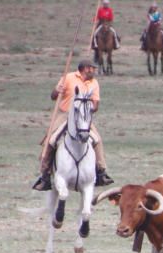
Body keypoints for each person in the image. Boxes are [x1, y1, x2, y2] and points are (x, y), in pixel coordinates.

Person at [32, 60, 114, 191]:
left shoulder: (94, 83)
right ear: (84, 69)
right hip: (64, 114)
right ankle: (45, 175)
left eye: (94, 68)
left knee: (97, 139)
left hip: (83, 116)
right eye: (91, 68)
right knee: (51, 140)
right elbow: (53, 97)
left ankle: (101, 172)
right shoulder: (68, 78)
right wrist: (56, 90)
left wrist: (87, 109)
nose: (93, 71)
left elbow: (96, 105)